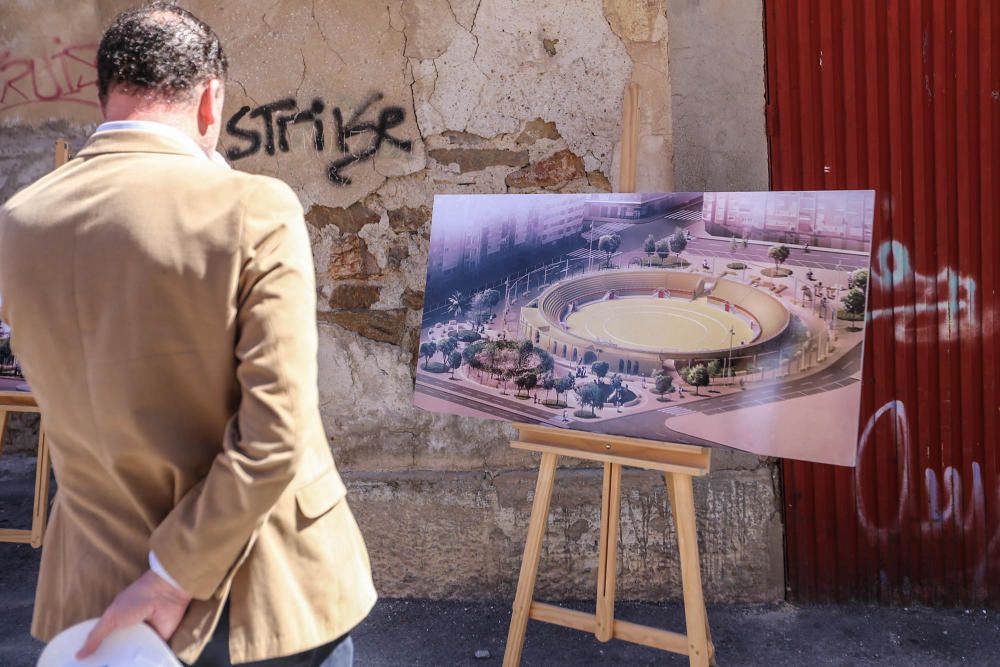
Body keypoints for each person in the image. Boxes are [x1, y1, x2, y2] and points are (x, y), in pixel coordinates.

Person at [0, 5, 376, 666]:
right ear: (212, 102)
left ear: (104, 93)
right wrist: (172, 577)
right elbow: (275, 436)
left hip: (98, 593)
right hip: (262, 591)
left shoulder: (21, 222)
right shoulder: (253, 207)